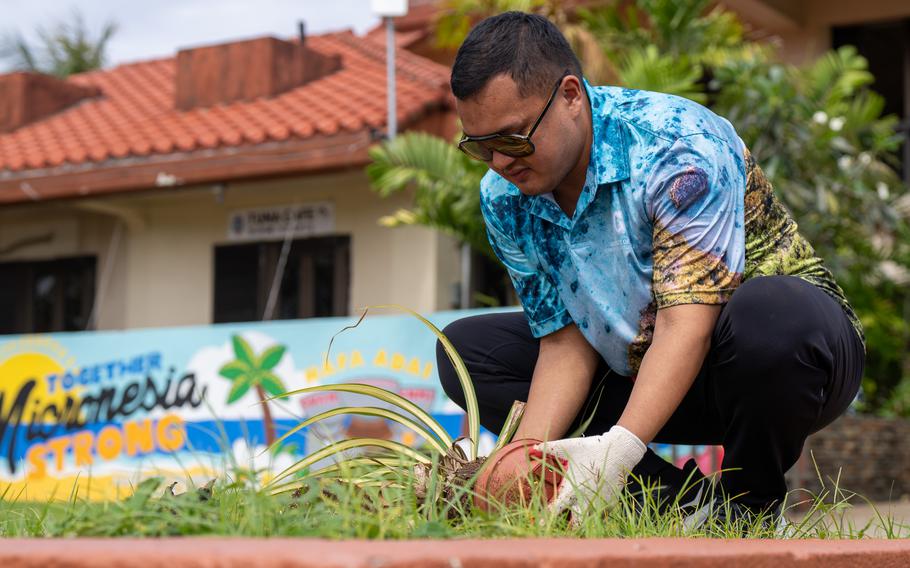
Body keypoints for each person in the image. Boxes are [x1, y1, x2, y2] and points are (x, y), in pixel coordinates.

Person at [435, 11, 864, 525]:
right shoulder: (504, 197)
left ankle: (747, 510)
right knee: (469, 352)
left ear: (571, 95)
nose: (501, 162)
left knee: (773, 312)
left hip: (781, 363)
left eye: (511, 139)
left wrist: (620, 446)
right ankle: (671, 504)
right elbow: (565, 340)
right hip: (645, 368)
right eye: (479, 147)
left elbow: (689, 321)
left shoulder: (677, 145)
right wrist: (525, 460)